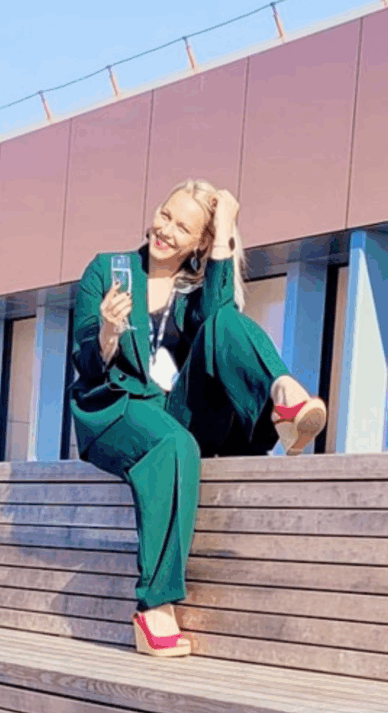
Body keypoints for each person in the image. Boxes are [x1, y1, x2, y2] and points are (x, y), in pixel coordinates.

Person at [69, 179, 327, 657]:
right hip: (115, 409)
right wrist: (107, 330)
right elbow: (85, 363)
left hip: (169, 411)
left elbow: (221, 321)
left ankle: (283, 394)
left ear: (200, 244)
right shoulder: (109, 270)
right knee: (174, 444)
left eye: (182, 226)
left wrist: (226, 226)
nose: (164, 230)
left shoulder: (193, 289)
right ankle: (154, 607)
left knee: (224, 322)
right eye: (164, 215)